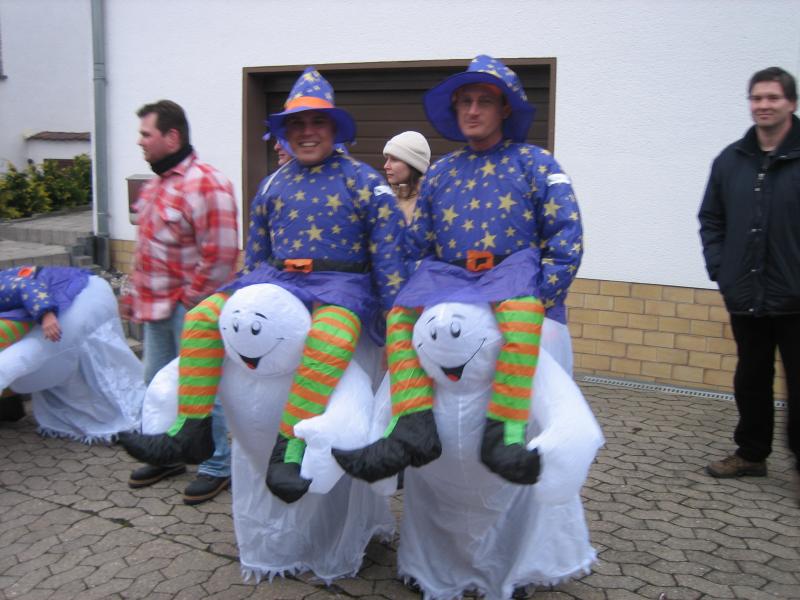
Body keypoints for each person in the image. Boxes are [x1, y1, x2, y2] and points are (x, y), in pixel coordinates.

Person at [119, 68, 407, 505]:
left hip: (341, 283)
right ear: (286, 132)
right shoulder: (273, 184)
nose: (307, 132)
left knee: (330, 337)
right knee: (202, 317)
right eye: (297, 123)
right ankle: (190, 428)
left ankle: (290, 447)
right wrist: (239, 295)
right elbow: (256, 254)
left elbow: (388, 257)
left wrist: (392, 318)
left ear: (333, 128)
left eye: (317, 122)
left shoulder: (365, 183)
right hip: (277, 279)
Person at [334, 55, 584, 487]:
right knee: (399, 318)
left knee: (522, 316)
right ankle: (412, 424)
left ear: (504, 108)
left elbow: (566, 234)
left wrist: (544, 293)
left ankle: (504, 434)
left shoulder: (539, 164)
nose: (472, 110)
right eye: (464, 101)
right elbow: (417, 244)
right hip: (449, 281)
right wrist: (413, 288)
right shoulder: (441, 173)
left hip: (513, 277)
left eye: (483, 101)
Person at [123, 99, 239, 505]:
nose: (140, 141)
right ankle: (167, 455)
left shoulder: (206, 182)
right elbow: (147, 248)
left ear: (171, 137)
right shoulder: (155, 185)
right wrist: (133, 293)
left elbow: (222, 253)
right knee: (157, 386)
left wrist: (191, 302)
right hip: (156, 308)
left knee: (203, 389)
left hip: (191, 310)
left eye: (146, 134)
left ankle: (217, 464)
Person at [699, 67, 800, 491]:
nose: (763, 105)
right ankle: (751, 454)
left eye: (772, 98)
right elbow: (711, 218)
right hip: (746, 294)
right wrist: (722, 270)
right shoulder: (731, 160)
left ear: (791, 103)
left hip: (795, 297)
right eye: (757, 98)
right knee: (751, 379)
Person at [383, 131, 431, 224]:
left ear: (414, 165)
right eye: (387, 159)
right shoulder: (382, 199)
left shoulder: (430, 204)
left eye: (394, 159)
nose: (386, 166)